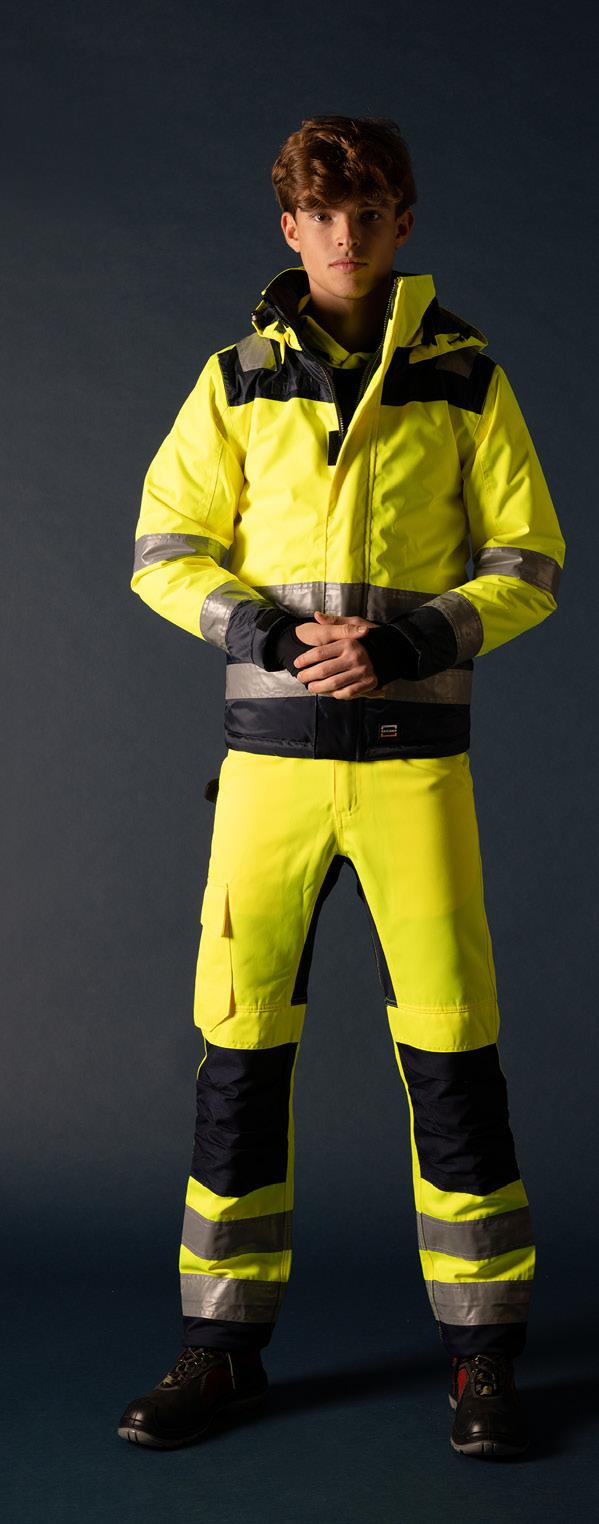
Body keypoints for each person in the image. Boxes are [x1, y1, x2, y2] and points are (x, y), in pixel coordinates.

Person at [118, 114, 565, 1457]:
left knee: (453, 1050)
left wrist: (410, 641)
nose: (347, 233)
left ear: (403, 223)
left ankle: (484, 1363)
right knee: (240, 1052)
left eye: (369, 209)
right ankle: (221, 1353)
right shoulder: (235, 380)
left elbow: (530, 560)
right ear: (290, 227)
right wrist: (266, 633)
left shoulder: (468, 376)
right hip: (270, 775)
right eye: (323, 212)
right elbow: (163, 548)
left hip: (414, 773)